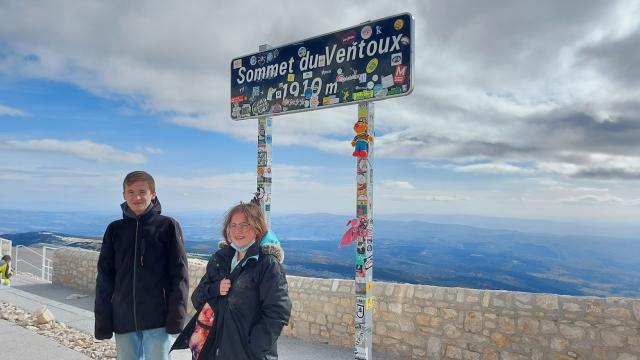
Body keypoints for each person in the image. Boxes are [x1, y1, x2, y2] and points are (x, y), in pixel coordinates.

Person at [172, 202, 291, 360]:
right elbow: (197, 299)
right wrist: (215, 288)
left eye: (245, 225)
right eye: (233, 225)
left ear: (257, 228)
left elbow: (277, 313)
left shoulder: (267, 265)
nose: (238, 231)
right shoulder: (219, 260)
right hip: (213, 349)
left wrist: (253, 349)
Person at [94, 171, 189, 360]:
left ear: (153, 194)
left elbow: (179, 274)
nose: (136, 197)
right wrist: (103, 319)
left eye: (142, 191)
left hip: (158, 319)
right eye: (131, 192)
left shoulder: (167, 226)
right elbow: (105, 276)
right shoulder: (115, 229)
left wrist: (176, 317)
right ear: (124, 195)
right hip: (123, 318)